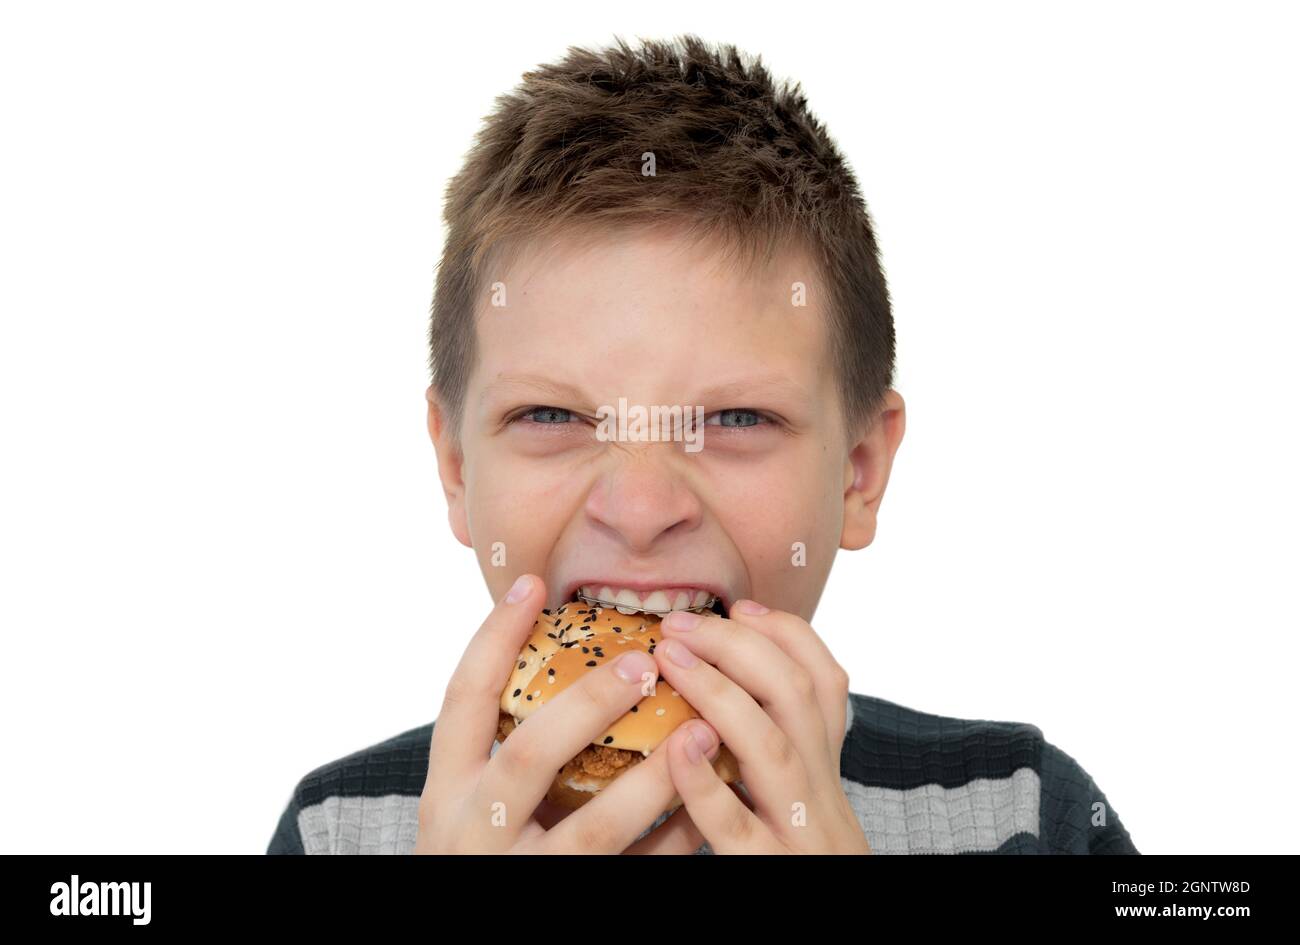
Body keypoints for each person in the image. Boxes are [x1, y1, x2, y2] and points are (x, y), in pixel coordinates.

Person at [268, 34, 1138, 855]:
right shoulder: (338, 830)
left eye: (736, 420)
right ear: (457, 470)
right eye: (553, 418)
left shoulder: (1026, 814)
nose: (642, 510)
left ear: (859, 473)